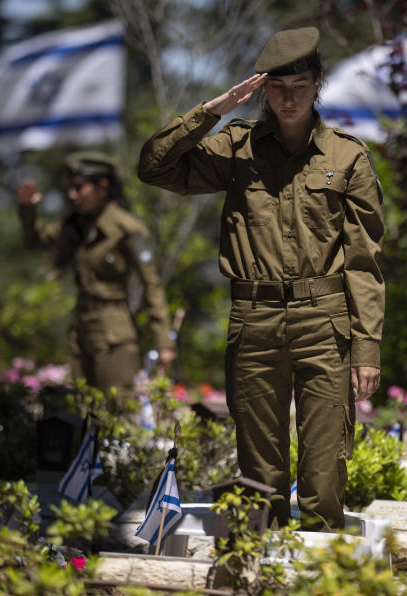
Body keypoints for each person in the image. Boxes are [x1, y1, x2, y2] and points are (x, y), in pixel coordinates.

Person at [137, 27, 384, 530]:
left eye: (298, 86)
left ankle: (318, 586)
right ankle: (259, 583)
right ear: (262, 89)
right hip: (255, 319)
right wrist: (213, 110)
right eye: (276, 87)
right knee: (261, 474)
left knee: (323, 471)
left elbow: (363, 263)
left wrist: (367, 349)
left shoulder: (347, 157)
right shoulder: (236, 147)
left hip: (325, 321)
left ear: (317, 83)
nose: (287, 99)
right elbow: (155, 167)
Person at [17, 151, 176, 395]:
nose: (73, 194)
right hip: (80, 329)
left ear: (102, 187)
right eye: (71, 187)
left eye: (79, 187)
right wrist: (28, 210)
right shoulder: (75, 224)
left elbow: (151, 286)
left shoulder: (127, 229)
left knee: (116, 409)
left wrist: (164, 342)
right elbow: (37, 241)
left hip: (114, 333)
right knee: (82, 407)